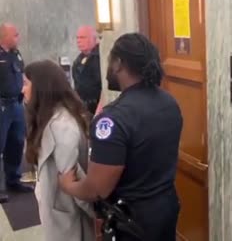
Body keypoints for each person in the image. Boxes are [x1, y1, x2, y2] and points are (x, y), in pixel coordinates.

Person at [59, 33, 183, 241]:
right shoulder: (169, 102)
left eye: (109, 60)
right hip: (166, 207)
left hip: (132, 221)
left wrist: (68, 186)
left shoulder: (113, 119)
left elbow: (97, 189)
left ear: (119, 63)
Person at [23, 60, 94, 241]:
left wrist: (98, 215)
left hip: (69, 221)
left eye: (26, 84)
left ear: (41, 87)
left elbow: (75, 179)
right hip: (57, 214)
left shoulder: (62, 126)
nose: (22, 90)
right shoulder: (49, 118)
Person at [0, 23, 32, 203]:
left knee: (17, 143)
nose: (18, 38)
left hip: (17, 105)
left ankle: (13, 180)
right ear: (4, 36)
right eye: (15, 35)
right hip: (1, 106)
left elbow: (22, 75)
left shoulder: (15, 54)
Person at [72, 25, 102, 116]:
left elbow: (104, 89)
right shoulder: (78, 61)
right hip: (83, 108)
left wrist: (98, 112)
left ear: (94, 38)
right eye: (77, 38)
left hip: (98, 108)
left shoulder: (99, 58)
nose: (78, 41)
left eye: (82, 37)